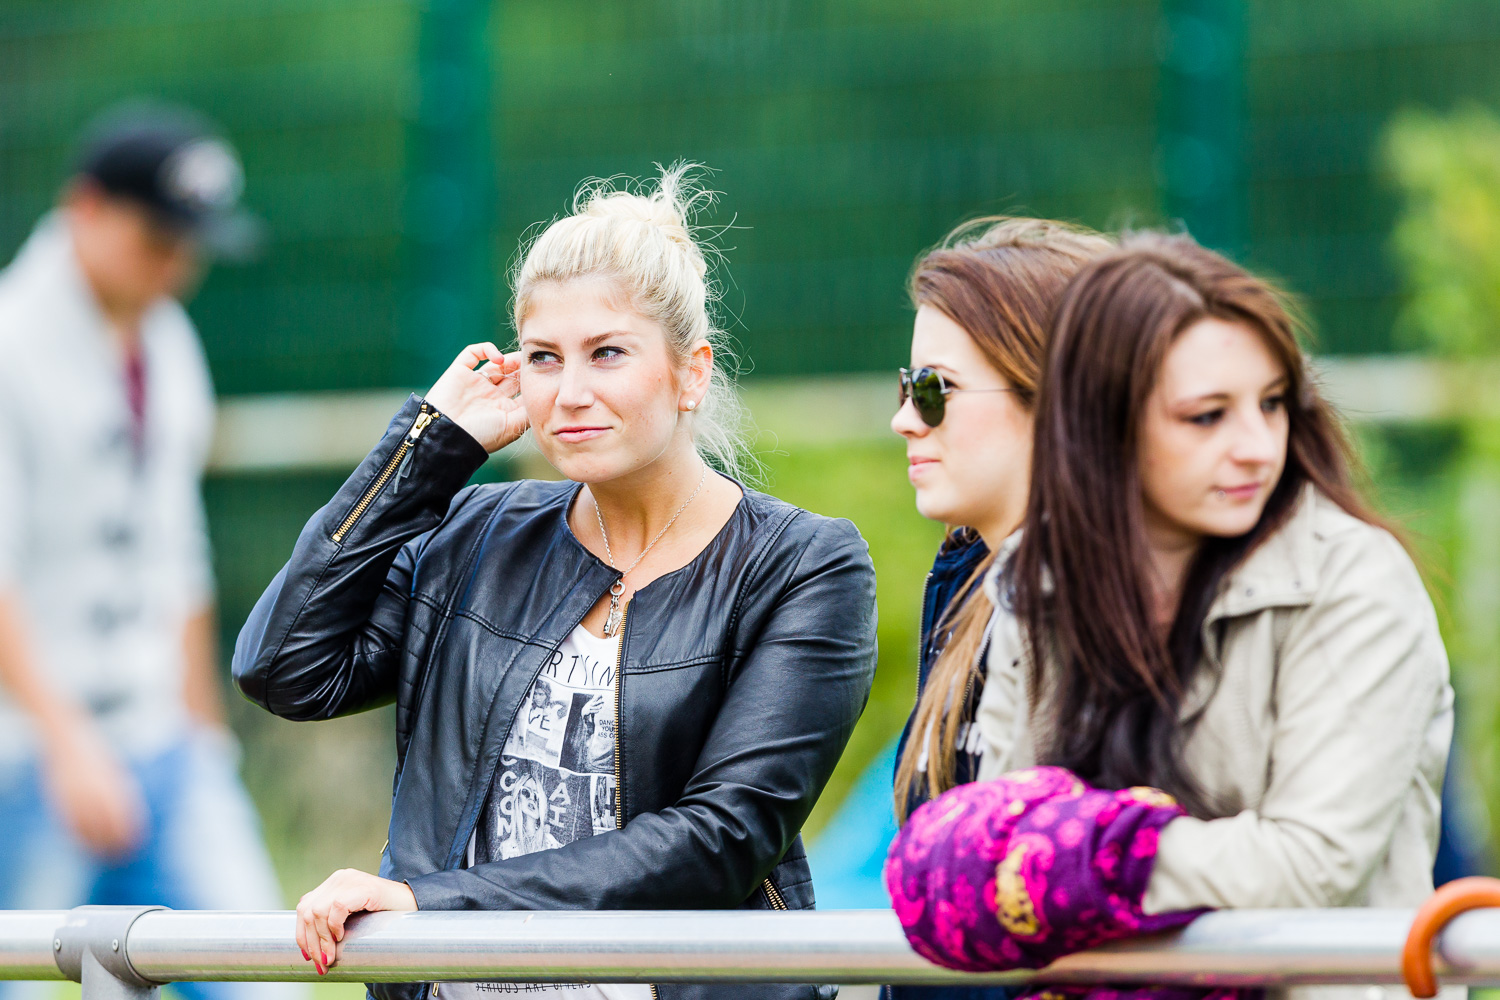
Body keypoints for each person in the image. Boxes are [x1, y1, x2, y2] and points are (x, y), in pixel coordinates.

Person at [232, 166, 878, 1000]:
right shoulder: (475, 533)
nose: (571, 393)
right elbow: (284, 668)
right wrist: (427, 453)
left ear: (691, 373)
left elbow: (723, 837)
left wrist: (429, 906)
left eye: (607, 353)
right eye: (544, 358)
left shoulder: (802, 564)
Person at [885, 233, 1455, 1000]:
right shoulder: (1042, 576)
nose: (1255, 447)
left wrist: (1111, 859)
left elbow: (1311, 865)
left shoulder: (1351, 579)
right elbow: (1001, 863)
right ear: (1103, 419)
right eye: (1205, 416)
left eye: (1273, 403)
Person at [0, 105, 296, 1000]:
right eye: (157, 238)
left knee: (264, 978)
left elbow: (179, 554)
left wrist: (203, 734)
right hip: (27, 752)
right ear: (86, 208)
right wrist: (66, 744)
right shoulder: (10, 345)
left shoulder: (168, 343)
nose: (178, 265)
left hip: (162, 742)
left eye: (191, 243)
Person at [884, 218, 1110, 1000]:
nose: (905, 418)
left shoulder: (1102, 607)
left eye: (935, 390)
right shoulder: (975, 581)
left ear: (1053, 394)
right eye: (905, 386)